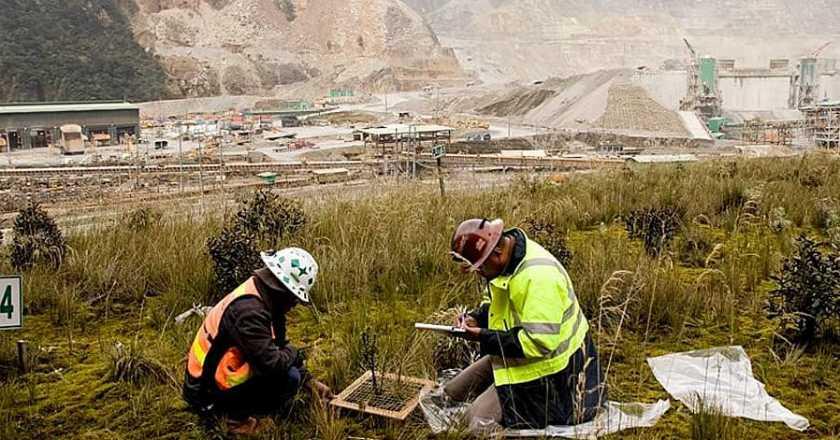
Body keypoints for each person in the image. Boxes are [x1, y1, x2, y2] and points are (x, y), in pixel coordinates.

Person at [445, 218, 606, 430]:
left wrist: (482, 336)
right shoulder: (504, 264)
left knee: (476, 425)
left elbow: (538, 344)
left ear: (496, 253)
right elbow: (495, 304)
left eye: (480, 266)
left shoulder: (538, 278)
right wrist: (477, 318)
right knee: (451, 394)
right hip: (515, 352)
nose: (478, 272)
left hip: (553, 373)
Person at [183, 248, 333, 434]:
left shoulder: (264, 296)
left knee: (292, 372)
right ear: (282, 289)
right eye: (294, 298)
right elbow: (273, 363)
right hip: (204, 390)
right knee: (287, 377)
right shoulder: (249, 312)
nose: (294, 304)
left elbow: (277, 346)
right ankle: (235, 421)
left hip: (212, 375)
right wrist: (294, 353)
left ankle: (238, 409)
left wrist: (309, 381)